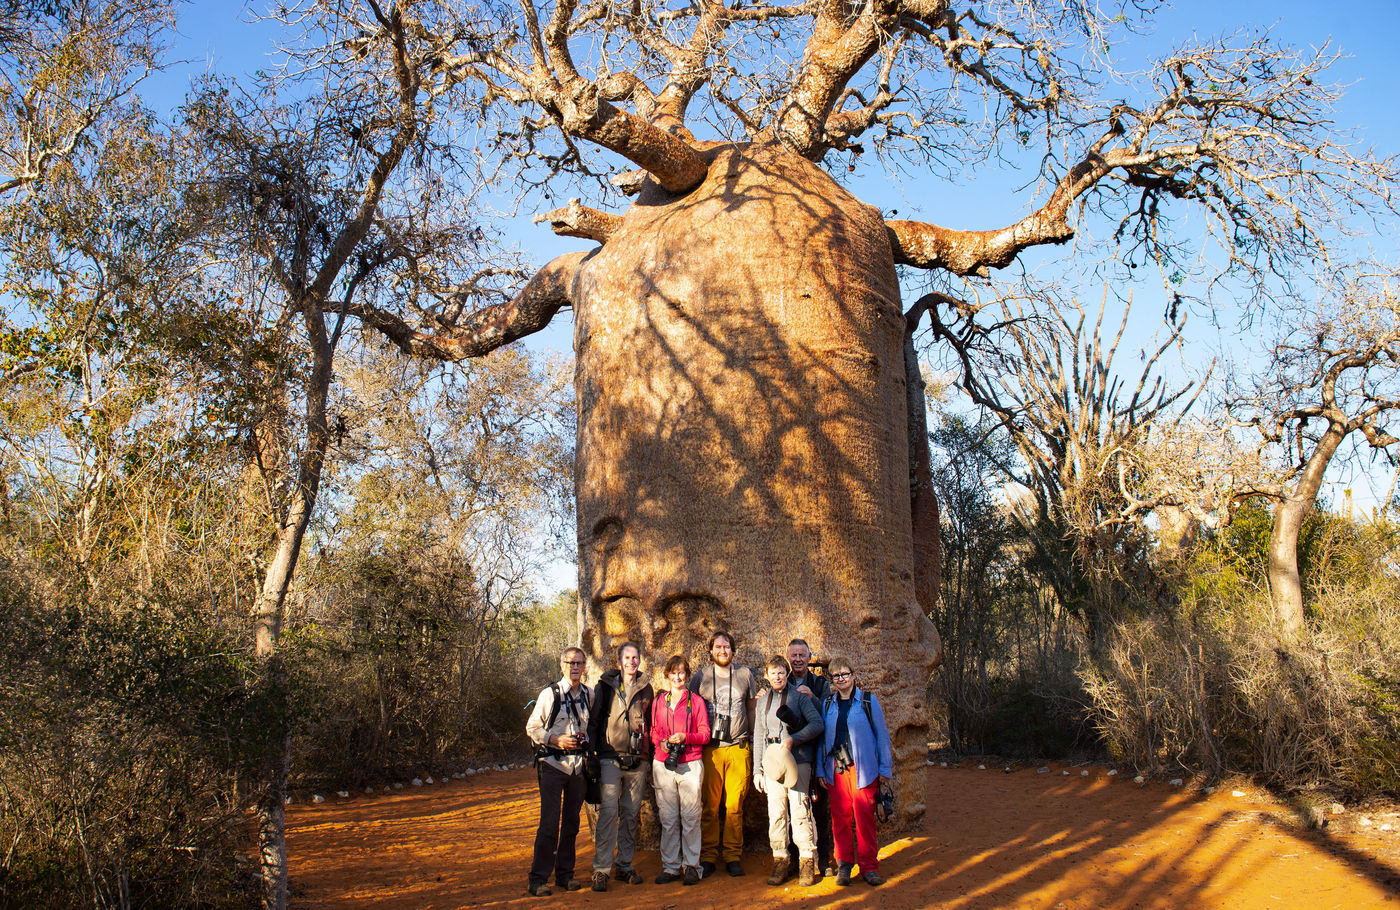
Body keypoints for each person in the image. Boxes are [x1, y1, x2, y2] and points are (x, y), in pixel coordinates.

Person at [816, 655, 893, 887]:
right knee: (840, 818)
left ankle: (869, 866)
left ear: (853, 675)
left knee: (864, 819)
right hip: (837, 769)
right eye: (836, 676)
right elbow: (822, 740)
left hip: (864, 769)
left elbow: (882, 736)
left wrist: (884, 768)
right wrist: (820, 769)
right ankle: (845, 865)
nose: (841, 679)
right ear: (832, 679)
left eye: (845, 674)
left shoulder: (868, 701)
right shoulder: (828, 704)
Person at [689, 631, 759, 878]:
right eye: (718, 646)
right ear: (710, 650)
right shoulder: (701, 677)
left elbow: (752, 709)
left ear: (733, 650)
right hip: (711, 749)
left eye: (726, 646)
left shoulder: (745, 675)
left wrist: (752, 740)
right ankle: (708, 855)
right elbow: (692, 709)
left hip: (738, 746)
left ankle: (732, 855)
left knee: (734, 805)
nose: (722, 650)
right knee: (709, 806)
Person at [585, 641, 654, 891]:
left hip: (637, 760)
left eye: (635, 658)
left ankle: (624, 865)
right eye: (627, 658)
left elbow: (650, 722)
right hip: (609, 757)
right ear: (619, 661)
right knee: (608, 813)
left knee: (630, 814)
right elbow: (594, 721)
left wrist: (649, 756)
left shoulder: (647, 688)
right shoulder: (605, 686)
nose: (632, 662)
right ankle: (601, 869)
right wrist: (591, 753)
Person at [524, 647, 592, 897]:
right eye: (571, 662)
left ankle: (565, 874)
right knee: (550, 823)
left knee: (572, 823)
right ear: (562, 664)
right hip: (553, 766)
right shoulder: (550, 694)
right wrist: (555, 739)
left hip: (577, 769)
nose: (575, 667)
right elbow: (532, 727)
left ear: (585, 666)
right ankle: (538, 878)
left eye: (580, 663)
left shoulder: (588, 695)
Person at [752, 654, 825, 887]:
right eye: (773, 672)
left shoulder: (799, 696)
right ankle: (780, 859)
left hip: (798, 759)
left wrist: (794, 739)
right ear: (767, 675)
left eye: (781, 672)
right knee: (776, 812)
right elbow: (759, 737)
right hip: (773, 762)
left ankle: (806, 860)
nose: (777, 676)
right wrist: (757, 770)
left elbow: (817, 724)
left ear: (787, 674)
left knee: (799, 809)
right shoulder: (763, 702)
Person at [650, 654, 711, 886]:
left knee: (691, 816)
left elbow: (705, 734)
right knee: (668, 818)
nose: (677, 677)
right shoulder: (659, 701)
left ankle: (692, 866)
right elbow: (653, 730)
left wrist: (686, 737)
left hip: (690, 763)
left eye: (681, 672)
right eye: (673, 672)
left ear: (687, 675)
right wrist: (661, 742)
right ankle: (671, 867)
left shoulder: (695, 702)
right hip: (663, 763)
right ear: (667, 675)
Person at [786, 638, 834, 876]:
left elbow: (828, 714)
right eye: (793, 655)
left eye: (801, 655)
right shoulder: (782, 682)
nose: (797, 660)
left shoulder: (819, 683)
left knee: (820, 808)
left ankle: (825, 858)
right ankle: (796, 860)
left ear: (809, 657)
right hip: (792, 755)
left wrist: (811, 698)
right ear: (788, 657)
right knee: (793, 809)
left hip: (816, 752)